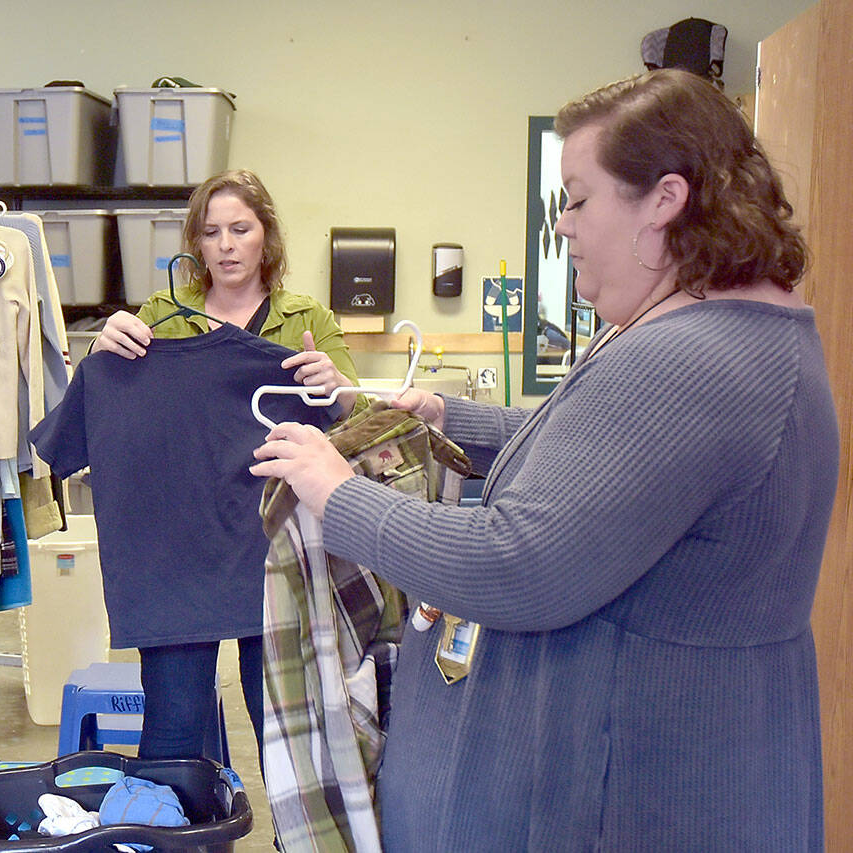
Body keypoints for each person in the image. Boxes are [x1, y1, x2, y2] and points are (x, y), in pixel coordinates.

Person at [250, 69, 838, 850]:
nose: (563, 225)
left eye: (578, 198)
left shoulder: (688, 360)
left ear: (664, 200)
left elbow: (513, 563)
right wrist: (456, 419)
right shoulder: (730, 332)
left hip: (644, 795)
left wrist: (336, 494)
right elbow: (610, 466)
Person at [90, 169, 361, 760]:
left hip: (277, 541)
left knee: (287, 734)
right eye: (212, 233)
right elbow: (110, 396)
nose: (227, 245)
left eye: (241, 229)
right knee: (174, 731)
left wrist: (335, 384)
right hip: (180, 546)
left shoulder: (305, 318)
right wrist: (101, 348)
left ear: (267, 237)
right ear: (196, 243)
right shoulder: (164, 314)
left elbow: (357, 420)